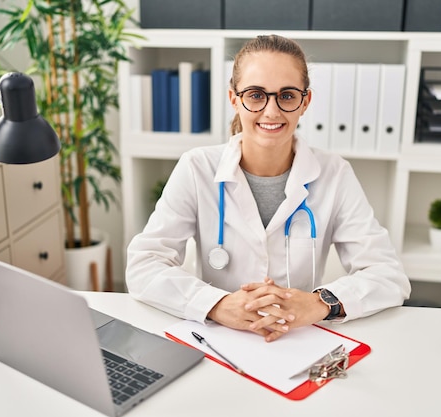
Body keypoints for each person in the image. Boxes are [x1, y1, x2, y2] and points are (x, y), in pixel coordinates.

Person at [126, 34, 410, 342]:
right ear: (234, 99)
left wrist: (319, 303)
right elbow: (144, 265)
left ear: (305, 101)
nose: (271, 111)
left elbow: (389, 275)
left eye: (286, 95)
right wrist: (217, 304)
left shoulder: (334, 174)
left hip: (298, 339)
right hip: (220, 338)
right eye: (256, 94)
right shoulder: (197, 168)